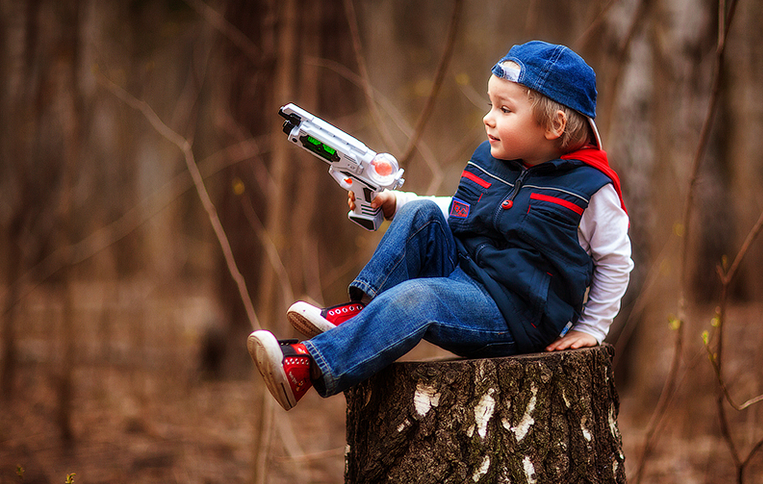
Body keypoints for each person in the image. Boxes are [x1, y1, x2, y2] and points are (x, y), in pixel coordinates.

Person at [248, 40, 634, 411]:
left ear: (554, 125)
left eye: (505, 109)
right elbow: (462, 209)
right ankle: (359, 313)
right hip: (467, 273)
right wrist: (395, 203)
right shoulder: (498, 160)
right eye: (491, 104)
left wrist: (592, 328)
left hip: (516, 317)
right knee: (421, 215)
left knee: (420, 297)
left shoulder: (591, 189)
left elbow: (616, 261)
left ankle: (305, 368)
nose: (489, 117)